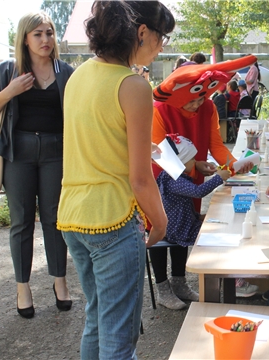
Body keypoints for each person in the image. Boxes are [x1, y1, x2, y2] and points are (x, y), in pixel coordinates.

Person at [57, 2, 173, 358]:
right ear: (142, 32)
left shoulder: (78, 75)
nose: (162, 45)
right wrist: (161, 220)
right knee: (119, 342)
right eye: (162, 36)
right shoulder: (133, 86)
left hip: (73, 217)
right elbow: (140, 180)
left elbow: (94, 138)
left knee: (97, 320)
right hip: (112, 220)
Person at [151, 57, 259, 300]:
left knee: (185, 223)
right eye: (193, 100)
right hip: (162, 180)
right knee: (160, 228)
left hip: (191, 176)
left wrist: (233, 165)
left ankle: (179, 282)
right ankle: (162, 287)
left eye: (202, 97)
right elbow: (158, 155)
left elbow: (216, 145)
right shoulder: (159, 110)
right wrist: (195, 166)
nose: (198, 103)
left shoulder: (207, 108)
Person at [0, 11, 74, 319]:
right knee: (21, 221)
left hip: (56, 150)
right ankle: (22, 287)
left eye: (49, 33)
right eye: (38, 34)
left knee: (56, 219)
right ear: (25, 38)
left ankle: (60, 282)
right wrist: (9, 92)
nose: (45, 40)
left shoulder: (65, 71)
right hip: (19, 153)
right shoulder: (7, 70)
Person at [152, 134, 231, 309]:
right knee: (212, 239)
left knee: (217, 226)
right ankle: (219, 280)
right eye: (191, 159)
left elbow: (184, 203)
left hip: (185, 221)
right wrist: (219, 177)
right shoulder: (171, 179)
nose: (195, 162)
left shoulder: (177, 177)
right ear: (180, 161)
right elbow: (198, 192)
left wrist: (198, 216)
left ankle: (180, 284)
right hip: (176, 227)